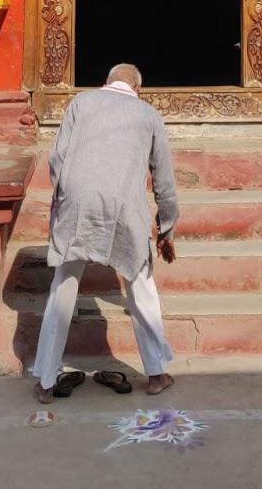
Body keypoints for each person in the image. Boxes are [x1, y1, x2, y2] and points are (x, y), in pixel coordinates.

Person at [31, 63, 179, 403]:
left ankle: (46, 381)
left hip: (77, 204)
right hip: (126, 207)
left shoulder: (80, 102)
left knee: (62, 289)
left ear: (107, 82)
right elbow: (164, 179)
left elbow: (57, 159)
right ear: (137, 89)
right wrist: (167, 228)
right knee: (141, 288)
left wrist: (64, 201)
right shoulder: (149, 115)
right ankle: (156, 374)